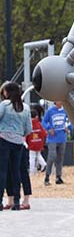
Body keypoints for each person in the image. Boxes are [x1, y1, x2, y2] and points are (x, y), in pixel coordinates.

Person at [0, 82, 32, 212]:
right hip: (18, 142)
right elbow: (28, 128)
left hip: (4, 140)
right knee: (16, 171)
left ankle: (0, 201)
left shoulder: (4, 105)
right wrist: (20, 134)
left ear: (7, 92)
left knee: (2, 171)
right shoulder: (25, 107)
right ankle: (17, 202)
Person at [42, 100, 70, 186]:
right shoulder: (50, 111)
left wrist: (68, 127)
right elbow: (44, 122)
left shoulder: (65, 110)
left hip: (62, 137)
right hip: (52, 138)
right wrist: (48, 128)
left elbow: (70, 121)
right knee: (52, 156)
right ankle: (47, 176)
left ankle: (58, 176)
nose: (61, 102)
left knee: (60, 157)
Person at [27, 105, 47, 174]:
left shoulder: (29, 124)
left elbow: (27, 134)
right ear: (37, 117)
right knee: (38, 155)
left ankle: (32, 171)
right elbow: (44, 133)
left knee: (32, 157)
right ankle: (44, 164)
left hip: (32, 143)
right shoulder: (39, 124)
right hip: (39, 143)